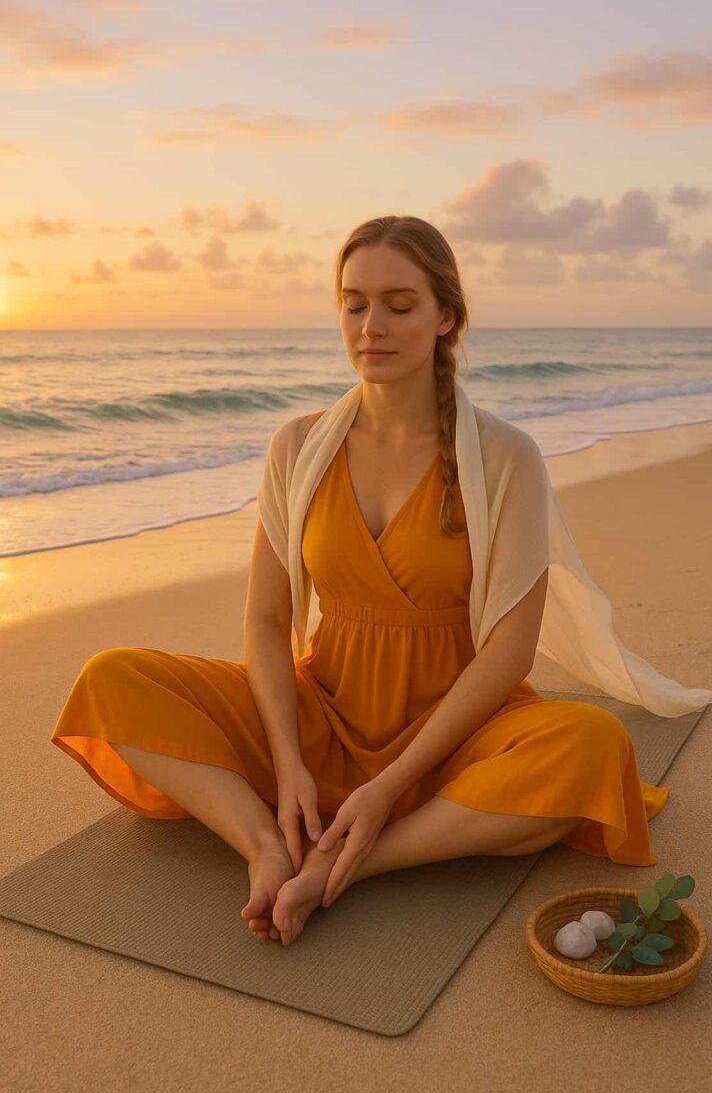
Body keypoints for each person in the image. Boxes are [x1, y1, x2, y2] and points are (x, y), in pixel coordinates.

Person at [51, 215, 672, 949]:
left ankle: (353, 861)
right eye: (353, 304)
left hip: (458, 732)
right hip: (323, 714)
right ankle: (269, 848)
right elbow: (265, 622)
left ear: (445, 316)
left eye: (398, 305)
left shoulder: (506, 458)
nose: (371, 325)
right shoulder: (297, 446)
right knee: (112, 680)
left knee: (592, 744)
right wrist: (287, 771)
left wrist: (384, 792)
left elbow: (510, 651)